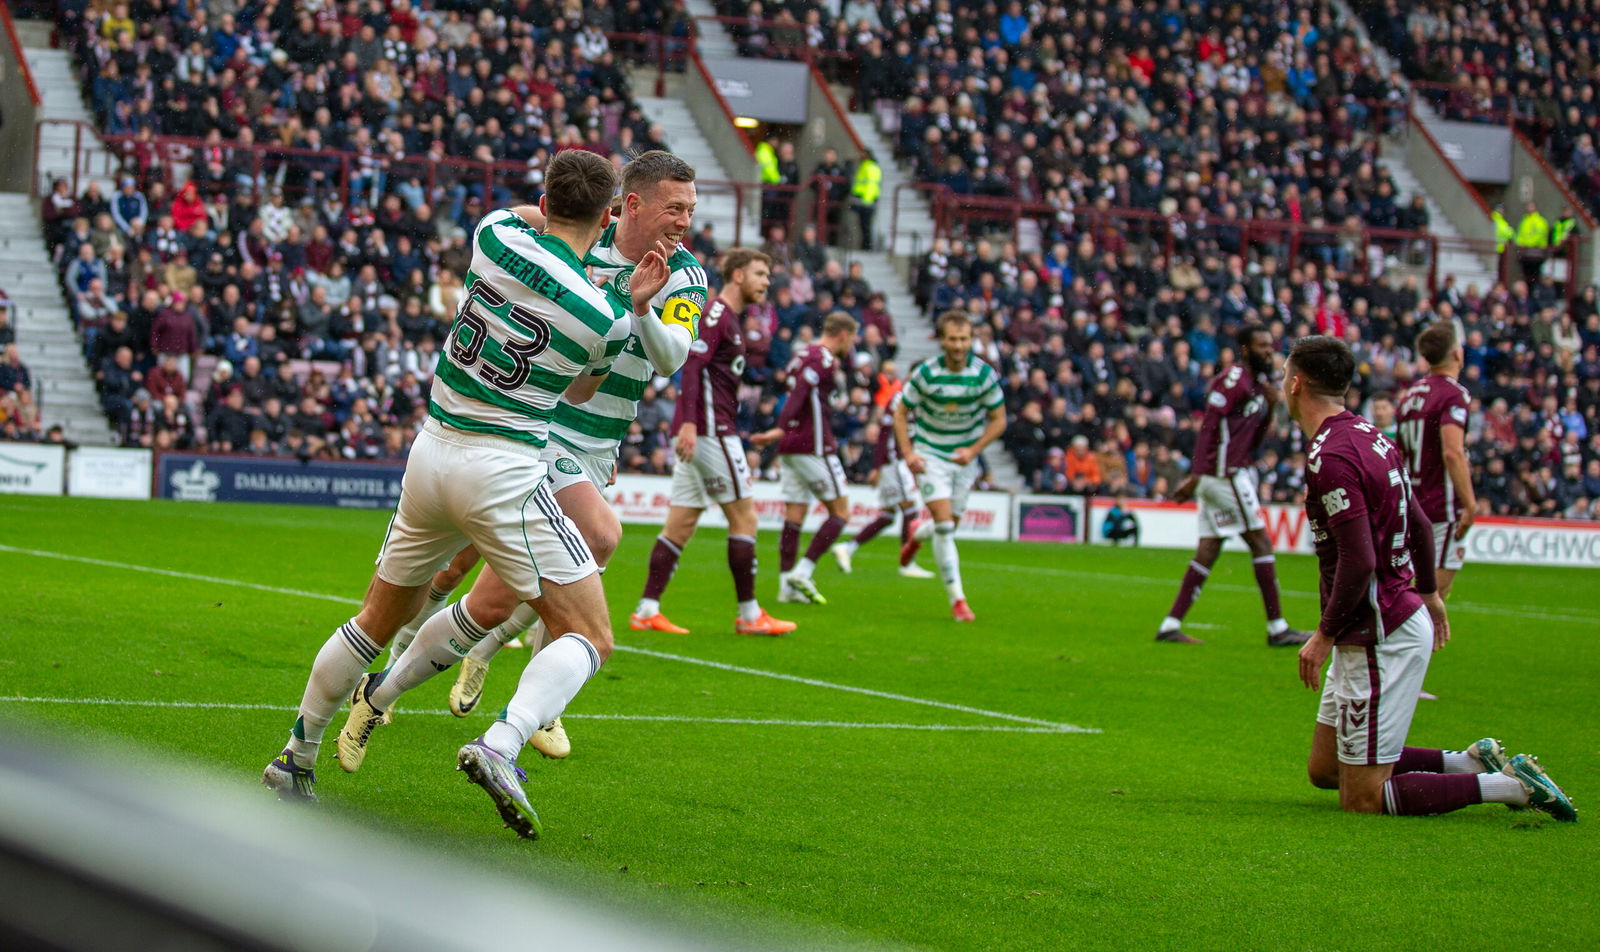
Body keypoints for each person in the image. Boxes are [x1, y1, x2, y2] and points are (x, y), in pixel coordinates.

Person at [262, 150, 666, 843]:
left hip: (431, 452)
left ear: (545, 196)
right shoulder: (607, 317)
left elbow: (526, 215)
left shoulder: (493, 235)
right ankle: (503, 743)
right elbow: (578, 392)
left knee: (372, 622)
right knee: (590, 634)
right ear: (608, 217)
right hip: (504, 469)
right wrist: (628, 302)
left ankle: (295, 757)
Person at [368, 153, 708, 764]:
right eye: (674, 207)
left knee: (528, 574)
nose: (685, 220)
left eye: (690, 208)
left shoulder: (684, 275)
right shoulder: (583, 232)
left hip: (598, 445)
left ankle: (486, 661)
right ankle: (411, 674)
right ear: (631, 205)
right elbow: (529, 218)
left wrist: (640, 308)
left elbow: (670, 357)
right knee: (573, 544)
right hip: (541, 428)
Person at [1287, 335, 1575, 821]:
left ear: (1294, 385)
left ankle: (1508, 786)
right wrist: (1429, 594)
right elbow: (1420, 523)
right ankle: (1466, 760)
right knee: (1326, 768)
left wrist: (1323, 636)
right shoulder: (1370, 435)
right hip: (1391, 615)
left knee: (1362, 798)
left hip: (1378, 633)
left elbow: (1359, 560)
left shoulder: (1331, 457)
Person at [631, 248, 797, 636]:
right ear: (737, 276)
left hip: (704, 430)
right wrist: (688, 423)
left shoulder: (731, 319)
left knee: (681, 523)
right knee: (745, 518)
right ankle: (750, 614)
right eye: (760, 273)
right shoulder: (717, 314)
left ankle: (646, 609)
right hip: (710, 431)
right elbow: (691, 364)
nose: (766, 282)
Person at [1156, 324, 1310, 646]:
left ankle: (1170, 625)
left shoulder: (1257, 385)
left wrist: (1268, 409)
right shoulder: (1232, 381)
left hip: (1222, 474)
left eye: (1270, 344)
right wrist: (1196, 476)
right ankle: (1277, 628)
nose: (1269, 350)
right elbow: (1209, 427)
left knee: (1209, 549)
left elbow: (1251, 439)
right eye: (1262, 344)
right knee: (1261, 544)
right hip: (1223, 475)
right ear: (1245, 349)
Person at [893, 310, 1007, 622]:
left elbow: (999, 420)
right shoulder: (927, 374)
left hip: (964, 458)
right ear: (942, 341)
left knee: (948, 526)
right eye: (953, 339)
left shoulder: (983, 375)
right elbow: (900, 413)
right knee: (945, 526)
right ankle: (958, 599)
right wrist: (908, 453)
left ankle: (917, 534)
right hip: (931, 454)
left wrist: (974, 450)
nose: (958, 345)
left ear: (972, 340)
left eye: (964, 339)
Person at [750, 311, 860, 605]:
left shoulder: (802, 354)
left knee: (795, 515)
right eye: (852, 339)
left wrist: (781, 432)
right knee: (841, 512)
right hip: (813, 444)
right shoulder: (822, 359)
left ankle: (786, 587)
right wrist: (778, 428)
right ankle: (803, 570)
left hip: (791, 447)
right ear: (844, 335)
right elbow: (799, 394)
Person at [1395, 322, 1477, 598]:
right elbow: (1452, 452)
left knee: (1417, 589)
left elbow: (1401, 452)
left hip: (1412, 503)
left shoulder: (1409, 396)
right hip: (1441, 505)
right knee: (1431, 596)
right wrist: (1470, 504)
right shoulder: (1454, 394)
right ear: (1457, 354)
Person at [831, 389, 936, 577]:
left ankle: (847, 547)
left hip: (894, 462)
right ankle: (907, 563)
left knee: (888, 515)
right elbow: (885, 433)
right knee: (910, 507)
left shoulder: (918, 400)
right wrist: (878, 465)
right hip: (894, 462)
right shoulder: (901, 398)